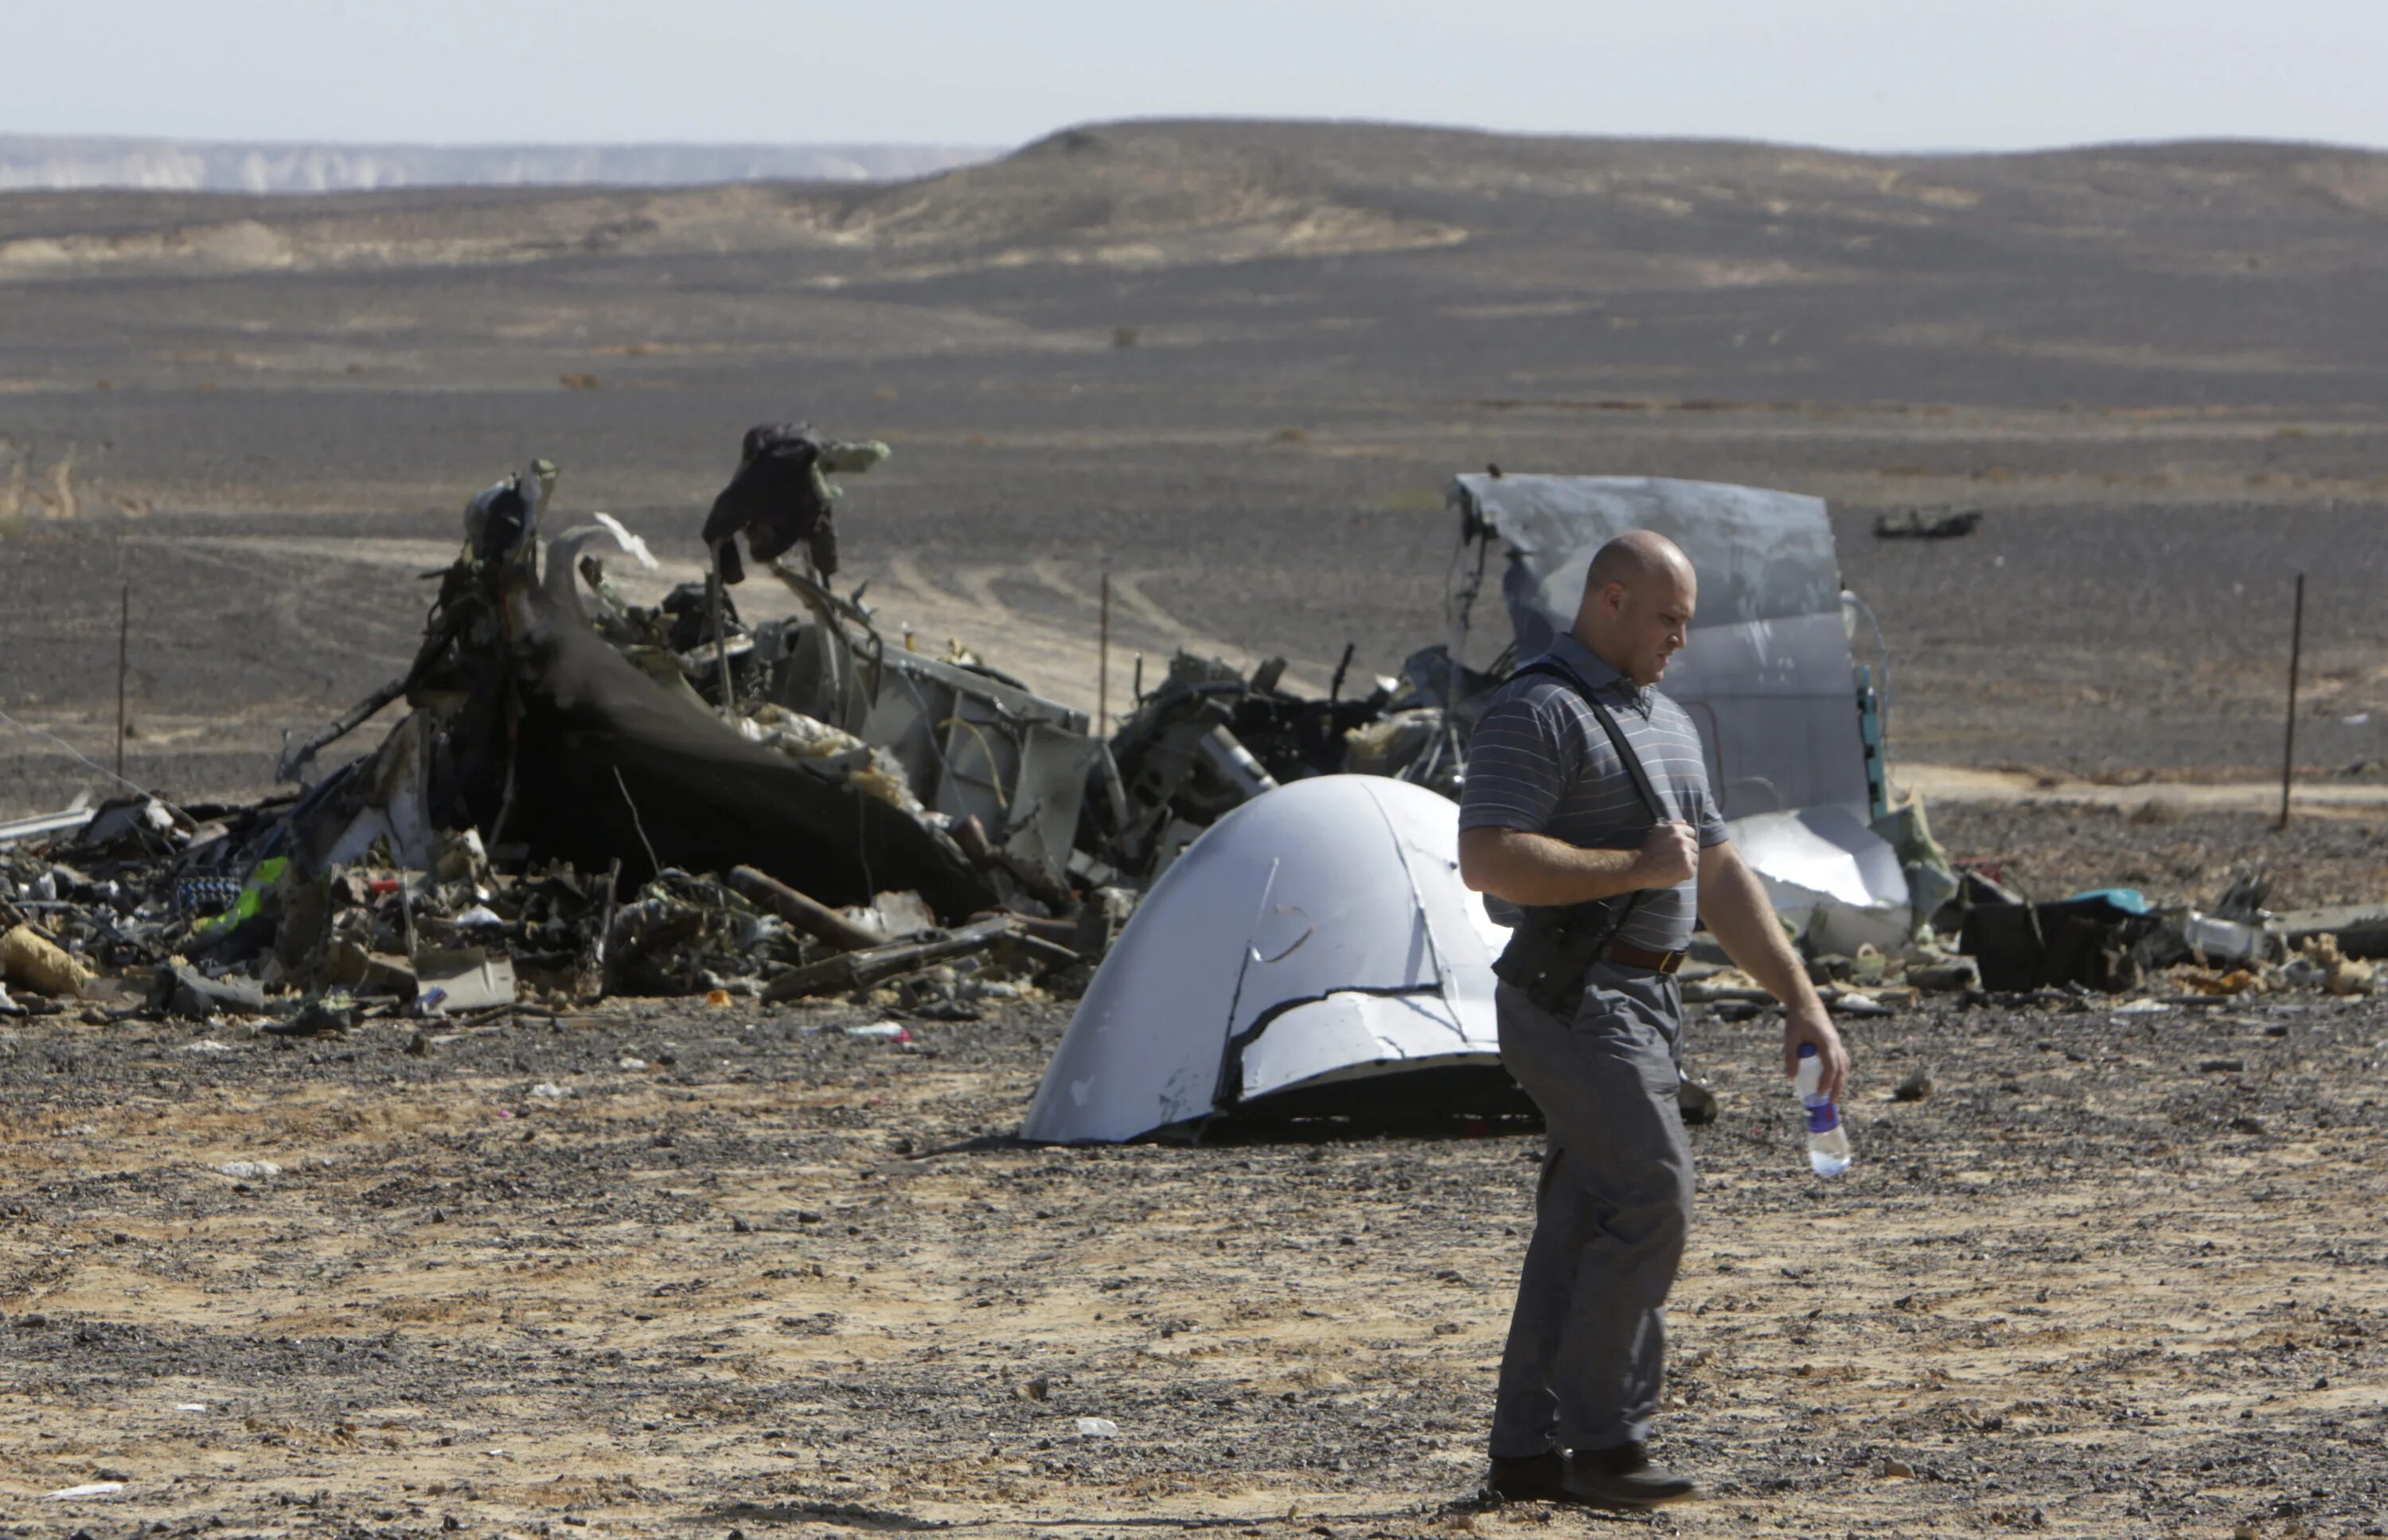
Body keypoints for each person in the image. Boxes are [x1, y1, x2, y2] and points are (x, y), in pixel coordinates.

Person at [1455, 529, 1850, 1510]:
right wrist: (1635, 869)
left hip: (1647, 1000)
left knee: (1587, 1214)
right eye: (1669, 618)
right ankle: (1606, 1445)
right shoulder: (1537, 708)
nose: (1682, 638)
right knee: (1652, 1199)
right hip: (1576, 998)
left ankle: (1528, 1454)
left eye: (1688, 621)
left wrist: (1801, 1003)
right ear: (1612, 599)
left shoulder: (1666, 721)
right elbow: (1489, 859)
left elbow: (1717, 872)